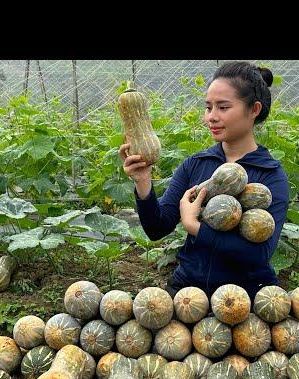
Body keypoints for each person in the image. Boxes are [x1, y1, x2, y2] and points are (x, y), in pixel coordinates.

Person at [119, 61, 290, 302]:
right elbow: (157, 228)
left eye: (223, 107)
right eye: (208, 108)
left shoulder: (271, 175)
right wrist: (143, 181)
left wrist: (195, 227)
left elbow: (260, 253)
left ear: (254, 110)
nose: (212, 117)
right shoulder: (196, 164)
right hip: (189, 291)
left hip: (244, 298)